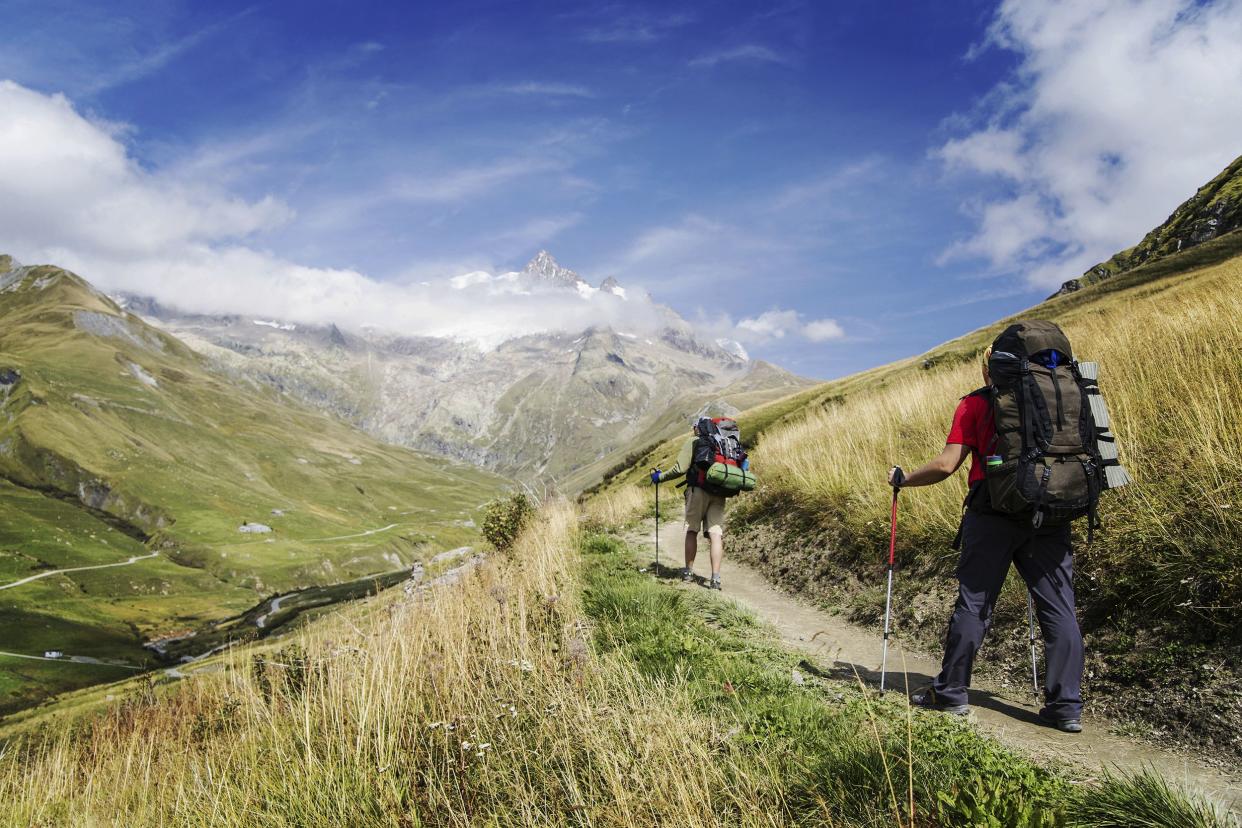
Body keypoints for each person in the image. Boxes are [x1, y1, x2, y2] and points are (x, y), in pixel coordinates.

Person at [888, 347, 1085, 733]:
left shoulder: (976, 404)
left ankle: (951, 693)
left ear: (988, 368)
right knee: (1060, 608)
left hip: (991, 515)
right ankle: (1065, 707)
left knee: (975, 602)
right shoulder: (1065, 398)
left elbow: (947, 465)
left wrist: (904, 479)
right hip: (1052, 515)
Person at [651, 419, 727, 590]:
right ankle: (715, 579)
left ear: (697, 428)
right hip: (719, 493)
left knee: (692, 530)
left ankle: (688, 572)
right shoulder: (721, 443)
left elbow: (680, 468)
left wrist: (660, 477)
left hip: (698, 490)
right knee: (716, 534)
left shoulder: (694, 441)